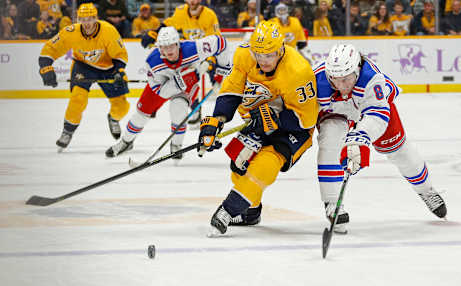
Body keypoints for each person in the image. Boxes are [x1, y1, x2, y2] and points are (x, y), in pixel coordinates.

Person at [197, 20, 318, 237]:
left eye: (269, 55)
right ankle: (250, 213)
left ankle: (229, 210)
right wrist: (216, 121)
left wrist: (275, 119)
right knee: (239, 161)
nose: (263, 60)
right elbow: (233, 88)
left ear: (281, 48)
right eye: (258, 54)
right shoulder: (245, 55)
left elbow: (307, 119)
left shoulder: (298, 71)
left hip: (293, 128)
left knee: (264, 164)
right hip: (261, 118)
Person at [313, 44, 447, 233]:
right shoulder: (317, 79)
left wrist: (360, 139)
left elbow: (376, 115)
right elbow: (303, 112)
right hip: (338, 112)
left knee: (401, 153)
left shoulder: (372, 78)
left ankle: (426, 191)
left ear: (356, 71)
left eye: (346, 80)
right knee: (329, 143)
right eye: (335, 80)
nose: (341, 86)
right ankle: (333, 203)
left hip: (373, 110)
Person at [105, 27, 231, 159]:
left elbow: (221, 43)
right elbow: (161, 92)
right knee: (140, 116)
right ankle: (126, 142)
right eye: (164, 47)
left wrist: (221, 73)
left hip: (187, 84)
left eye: (172, 46)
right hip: (163, 86)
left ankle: (176, 146)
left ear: (178, 44)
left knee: (178, 109)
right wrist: (187, 77)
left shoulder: (193, 48)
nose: (169, 50)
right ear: (159, 48)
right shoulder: (152, 62)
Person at [38, 3, 130, 152]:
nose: (87, 23)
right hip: (83, 66)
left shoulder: (108, 31)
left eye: (90, 18)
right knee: (77, 99)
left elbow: (120, 55)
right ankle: (67, 131)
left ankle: (114, 118)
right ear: (78, 19)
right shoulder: (71, 31)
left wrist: (119, 71)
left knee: (122, 106)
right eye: (83, 19)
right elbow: (50, 48)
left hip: (108, 68)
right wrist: (46, 67)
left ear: (96, 18)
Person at [141, 0, 222, 125]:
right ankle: (194, 110)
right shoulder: (180, 12)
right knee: (181, 80)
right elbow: (168, 25)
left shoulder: (209, 15)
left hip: (205, 52)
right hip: (187, 54)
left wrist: (210, 60)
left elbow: (215, 38)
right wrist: (155, 33)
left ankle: (223, 114)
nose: (193, 1)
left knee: (219, 84)